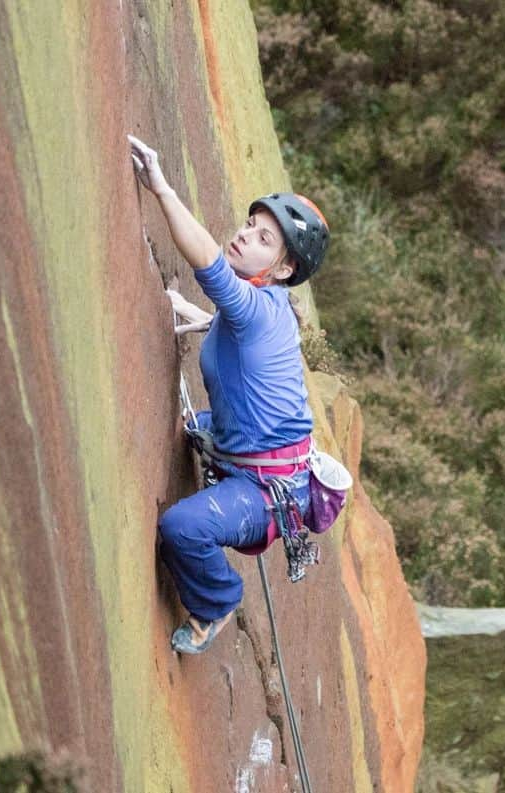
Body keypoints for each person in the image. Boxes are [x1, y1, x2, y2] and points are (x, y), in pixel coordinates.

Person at [128, 135, 330, 655]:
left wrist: (162, 190)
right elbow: (240, 341)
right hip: (252, 451)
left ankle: (216, 603)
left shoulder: (257, 308)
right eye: (250, 226)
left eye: (264, 240)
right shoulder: (266, 306)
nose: (244, 238)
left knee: (182, 527)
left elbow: (210, 267)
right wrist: (200, 320)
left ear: (284, 269)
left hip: (267, 491)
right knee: (196, 420)